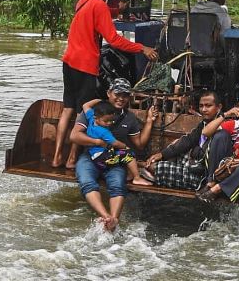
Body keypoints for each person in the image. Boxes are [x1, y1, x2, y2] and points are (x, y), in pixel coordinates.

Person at [52, 0, 158, 169]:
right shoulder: (99, 6)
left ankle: (56, 157)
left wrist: (117, 11)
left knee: (68, 109)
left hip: (69, 60)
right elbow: (114, 40)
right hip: (85, 64)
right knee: (83, 111)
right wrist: (142, 48)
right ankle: (72, 159)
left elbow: (98, 13)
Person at [69, 78, 159, 231]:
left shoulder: (129, 118)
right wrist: (97, 142)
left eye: (125, 95)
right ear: (109, 93)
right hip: (90, 157)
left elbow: (139, 144)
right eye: (117, 94)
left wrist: (149, 121)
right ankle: (105, 216)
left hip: (114, 159)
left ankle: (113, 220)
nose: (121, 98)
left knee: (117, 184)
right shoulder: (95, 112)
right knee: (86, 181)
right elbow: (74, 136)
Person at [143, 91, 225, 189]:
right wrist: (162, 154)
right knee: (174, 149)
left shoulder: (223, 127)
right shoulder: (204, 123)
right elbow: (189, 140)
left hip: (202, 176)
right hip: (194, 164)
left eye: (208, 106)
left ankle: (156, 176)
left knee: (153, 167)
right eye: (201, 106)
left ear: (219, 107)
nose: (203, 109)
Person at [82, 99, 151, 187]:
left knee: (120, 154)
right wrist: (125, 146)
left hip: (95, 156)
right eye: (106, 121)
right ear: (96, 118)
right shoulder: (103, 132)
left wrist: (99, 100)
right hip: (103, 159)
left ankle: (130, 174)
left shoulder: (91, 119)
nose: (109, 123)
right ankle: (137, 178)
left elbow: (85, 105)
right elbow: (115, 143)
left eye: (111, 120)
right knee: (129, 154)